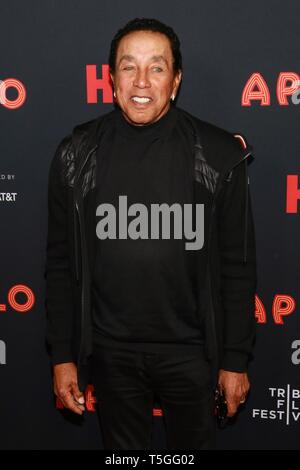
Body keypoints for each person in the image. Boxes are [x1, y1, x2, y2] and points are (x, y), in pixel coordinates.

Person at [44, 17, 257, 450]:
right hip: (110, 353)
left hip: (192, 354)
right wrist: (63, 356)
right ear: (112, 79)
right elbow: (61, 263)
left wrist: (234, 360)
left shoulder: (218, 157)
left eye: (156, 67)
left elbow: (238, 268)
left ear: (175, 81)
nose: (141, 80)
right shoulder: (76, 155)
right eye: (128, 66)